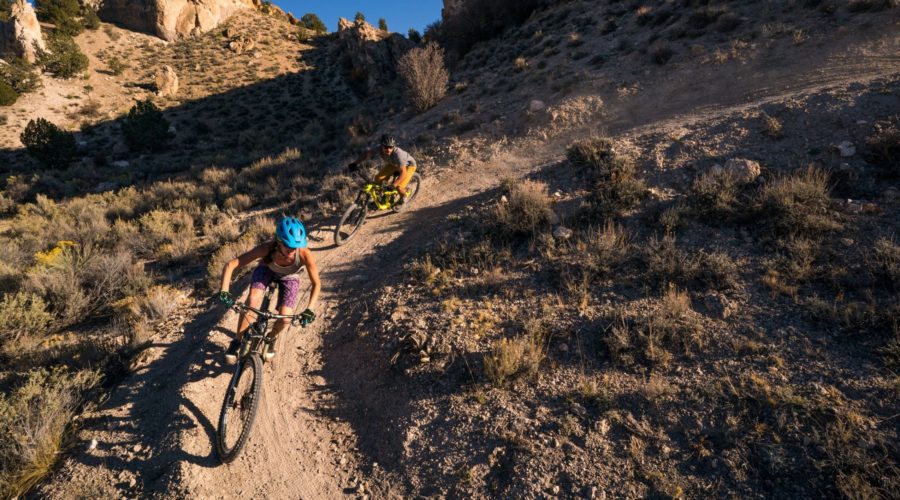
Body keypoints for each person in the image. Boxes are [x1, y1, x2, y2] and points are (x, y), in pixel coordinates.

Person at [218, 216, 320, 362]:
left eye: (295, 247)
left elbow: (316, 283)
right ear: (278, 241)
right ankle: (237, 340)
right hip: (266, 270)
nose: (293, 250)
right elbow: (231, 265)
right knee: (252, 301)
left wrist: (310, 309)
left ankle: (270, 338)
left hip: (290, 277)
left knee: (285, 318)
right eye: (288, 246)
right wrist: (224, 290)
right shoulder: (266, 249)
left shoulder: (304, 254)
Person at [349, 134, 417, 205]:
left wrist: (394, 185)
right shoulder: (378, 149)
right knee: (378, 178)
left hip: (409, 166)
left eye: (391, 147)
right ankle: (381, 199)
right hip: (393, 164)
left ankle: (405, 194)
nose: (388, 150)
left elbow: (403, 173)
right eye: (386, 147)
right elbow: (366, 154)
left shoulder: (398, 155)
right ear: (381, 146)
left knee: (398, 187)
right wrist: (355, 163)